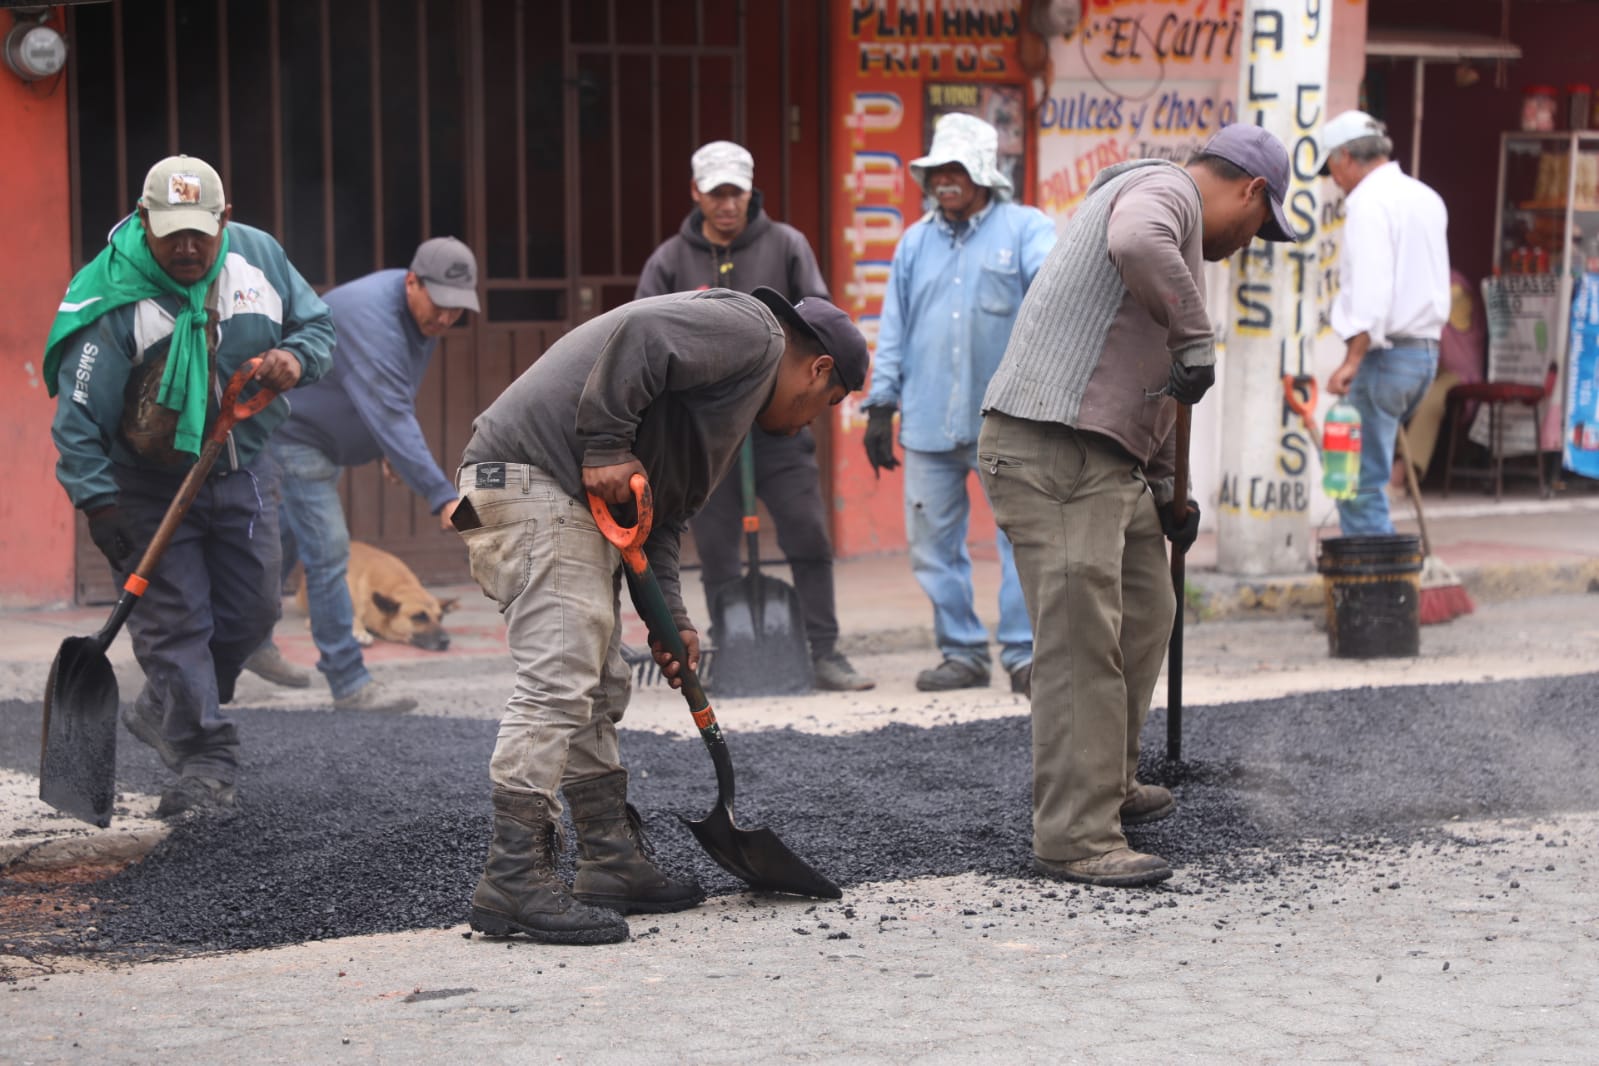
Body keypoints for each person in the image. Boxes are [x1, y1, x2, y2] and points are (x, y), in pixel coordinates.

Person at [455, 286, 868, 945]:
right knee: (561, 675)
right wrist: (606, 446)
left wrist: (671, 618)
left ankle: (610, 859)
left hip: (547, 489)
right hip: (529, 477)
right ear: (819, 369)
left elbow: (661, 516)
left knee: (596, 679)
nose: (809, 422)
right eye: (827, 404)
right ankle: (513, 874)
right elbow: (645, 333)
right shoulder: (754, 333)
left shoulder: (725, 404)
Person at [977, 124, 1302, 887]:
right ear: (1250, 190)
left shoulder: (1175, 220)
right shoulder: (1165, 192)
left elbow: (1143, 378)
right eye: (1261, 225)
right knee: (1082, 643)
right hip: (1053, 448)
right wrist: (1196, 333)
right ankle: (1073, 836)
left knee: (1147, 607)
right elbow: (1135, 241)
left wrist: (1164, 492)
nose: (1252, 241)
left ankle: (1108, 782)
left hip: (1103, 459)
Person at [45, 155, 334, 817]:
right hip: (146, 487)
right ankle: (205, 761)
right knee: (177, 627)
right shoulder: (109, 299)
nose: (185, 246)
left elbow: (318, 327)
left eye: (199, 232)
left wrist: (296, 357)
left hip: (245, 468)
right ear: (143, 221)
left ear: (224, 220)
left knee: (250, 615)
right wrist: (98, 503)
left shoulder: (259, 258)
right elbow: (77, 416)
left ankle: (162, 706)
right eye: (169, 231)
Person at [635, 141, 873, 692]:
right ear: (696, 193)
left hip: (778, 425)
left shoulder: (786, 246)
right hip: (705, 435)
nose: (726, 204)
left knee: (808, 531)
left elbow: (822, 321)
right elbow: (642, 334)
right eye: (715, 193)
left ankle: (824, 650)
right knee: (714, 544)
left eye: (735, 193)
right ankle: (736, 648)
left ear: (750, 192)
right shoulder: (671, 260)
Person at [860, 113, 1057, 695]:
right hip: (925, 422)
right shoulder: (914, 243)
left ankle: (1024, 656)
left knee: (1020, 539)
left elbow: (1054, 300)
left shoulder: (1026, 230)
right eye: (938, 171)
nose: (945, 181)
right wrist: (880, 405)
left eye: (957, 170)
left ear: (983, 174)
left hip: (1011, 422)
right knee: (931, 546)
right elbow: (892, 328)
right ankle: (962, 652)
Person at [245, 237, 479, 712]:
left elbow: (390, 396)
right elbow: (391, 410)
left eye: (458, 311)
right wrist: (443, 497)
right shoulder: (374, 315)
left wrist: (386, 448)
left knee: (276, 548)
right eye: (441, 306)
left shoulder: (420, 318)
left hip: (318, 443)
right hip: (294, 434)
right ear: (413, 282)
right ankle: (349, 680)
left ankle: (236, 643)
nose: (446, 318)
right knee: (330, 549)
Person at [1318, 110, 1450, 534]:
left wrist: (1352, 360)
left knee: (1357, 485)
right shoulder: (1425, 196)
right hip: (1423, 356)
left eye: (1332, 168)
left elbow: (1372, 293)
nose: (1332, 179)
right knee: (1367, 476)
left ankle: (1375, 588)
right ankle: (1380, 579)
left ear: (1346, 157)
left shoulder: (1369, 203)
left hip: (1385, 355)